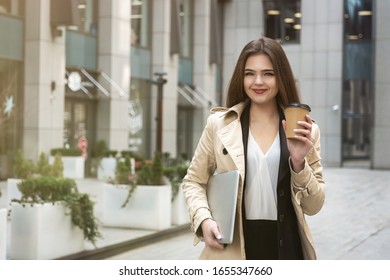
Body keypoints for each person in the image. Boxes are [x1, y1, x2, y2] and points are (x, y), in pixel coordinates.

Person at [181, 37, 325, 260]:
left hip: (287, 249)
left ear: (281, 77)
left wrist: (299, 163)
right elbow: (194, 181)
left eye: (268, 73)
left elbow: (314, 205)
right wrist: (204, 219)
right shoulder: (219, 125)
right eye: (250, 73)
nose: (258, 81)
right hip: (232, 249)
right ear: (242, 77)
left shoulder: (306, 130)